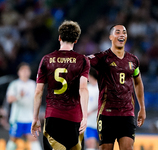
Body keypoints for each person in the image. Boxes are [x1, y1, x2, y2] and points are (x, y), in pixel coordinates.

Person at [31, 20, 90, 150]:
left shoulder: (46, 59)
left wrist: (35, 118)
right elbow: (83, 89)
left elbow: (38, 92)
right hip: (75, 118)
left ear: (59, 38)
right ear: (76, 40)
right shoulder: (82, 60)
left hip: (53, 117)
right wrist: (85, 116)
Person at [88, 25, 146, 150]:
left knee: (127, 148)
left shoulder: (133, 60)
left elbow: (138, 82)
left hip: (127, 114)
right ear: (110, 37)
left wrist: (142, 108)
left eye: (124, 32)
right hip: (106, 114)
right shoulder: (101, 58)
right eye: (117, 32)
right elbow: (82, 62)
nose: (121, 34)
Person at [6, 62, 42, 150]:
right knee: (13, 140)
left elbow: (37, 100)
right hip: (17, 118)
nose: (25, 72)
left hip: (29, 118)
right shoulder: (14, 84)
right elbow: (9, 99)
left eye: (27, 70)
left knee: (33, 139)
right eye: (23, 70)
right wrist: (19, 96)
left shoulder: (33, 84)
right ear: (19, 72)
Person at [85, 68, 99, 150]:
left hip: (100, 122)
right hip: (89, 122)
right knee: (90, 145)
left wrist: (92, 111)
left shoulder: (100, 87)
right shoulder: (86, 88)